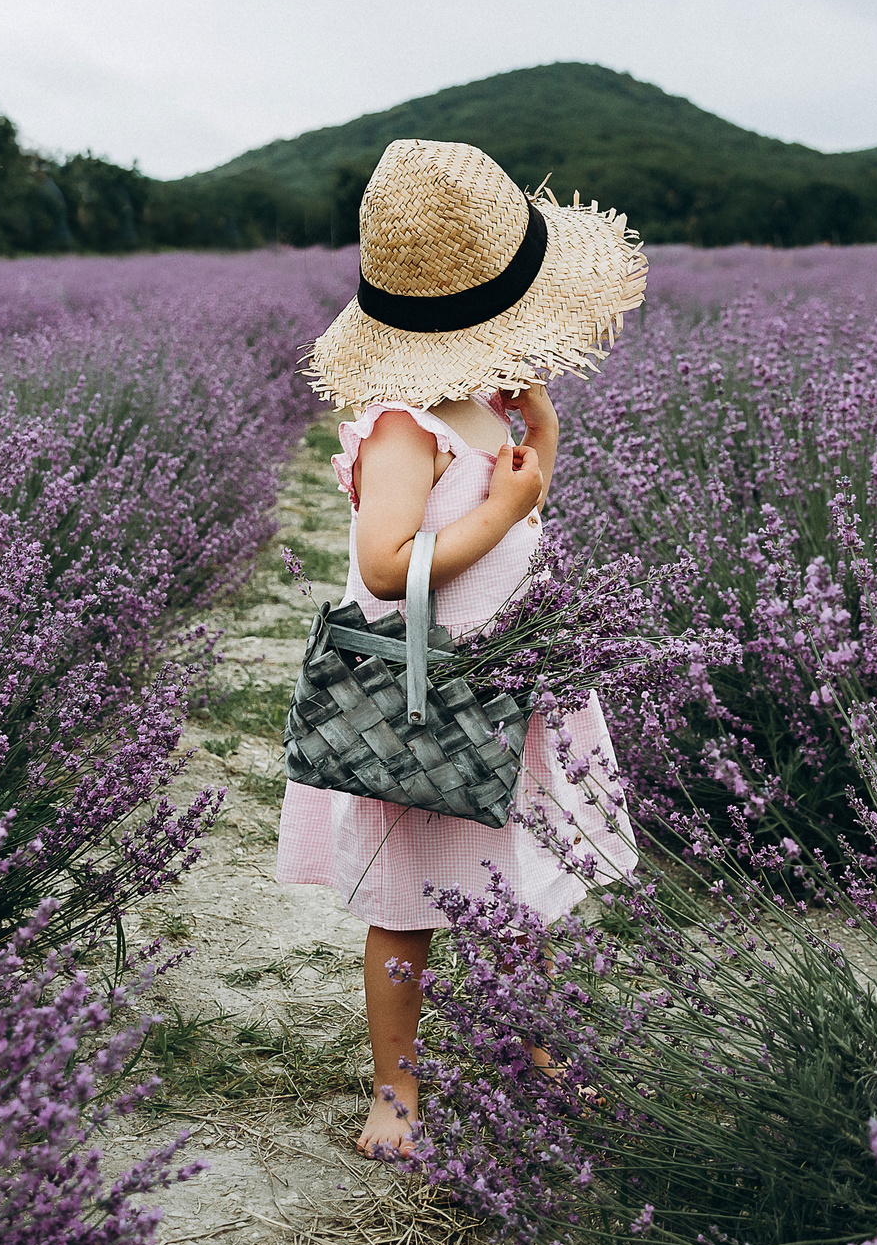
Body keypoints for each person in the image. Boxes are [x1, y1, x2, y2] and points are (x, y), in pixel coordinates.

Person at [277, 137, 647, 1159]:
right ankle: (395, 1091)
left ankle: (533, 1057)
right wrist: (501, 514)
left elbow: (526, 476)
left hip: (509, 688)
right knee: (406, 911)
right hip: (427, 701)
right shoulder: (402, 428)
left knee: (519, 896)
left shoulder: (483, 404)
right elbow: (387, 564)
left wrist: (536, 427)